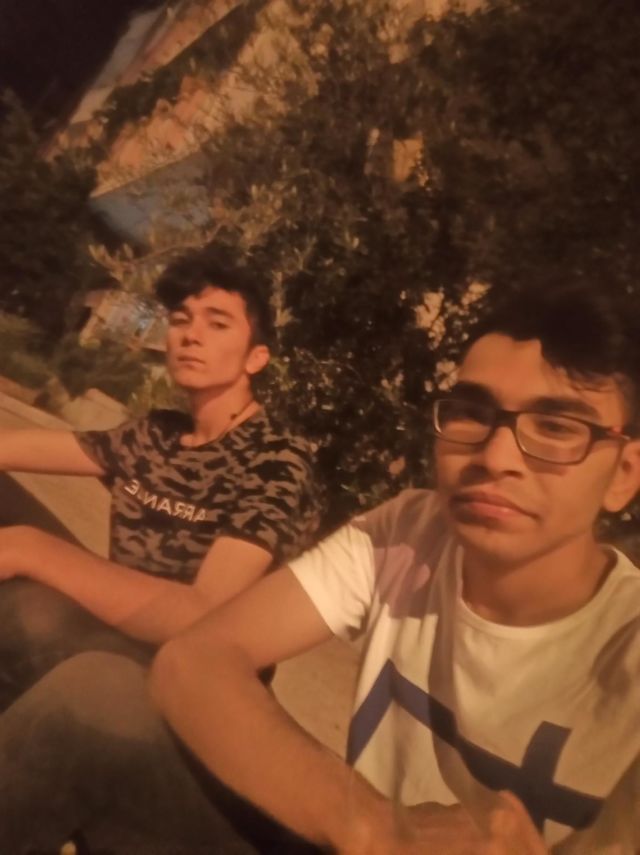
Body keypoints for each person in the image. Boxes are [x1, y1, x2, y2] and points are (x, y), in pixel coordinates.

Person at [151, 282, 640, 854]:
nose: (495, 457)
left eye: (556, 428)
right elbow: (193, 661)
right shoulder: (410, 533)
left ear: (624, 475)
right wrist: (374, 826)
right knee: (97, 698)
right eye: (472, 413)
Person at [0, 245, 322, 853]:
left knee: (28, 609)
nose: (190, 335)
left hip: (186, 697)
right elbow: (15, 448)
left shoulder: (277, 462)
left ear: (257, 356)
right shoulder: (154, 436)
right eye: (180, 320)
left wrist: (30, 551)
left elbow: (203, 616)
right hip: (108, 642)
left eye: (217, 323)